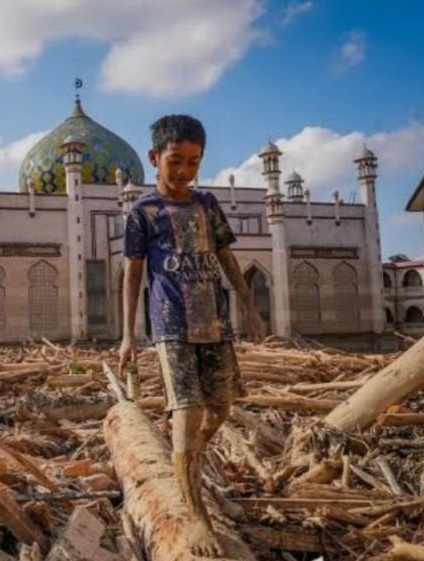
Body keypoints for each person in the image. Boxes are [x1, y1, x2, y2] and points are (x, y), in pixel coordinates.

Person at [118, 114, 266, 557]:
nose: (184, 170)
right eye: (175, 161)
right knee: (186, 412)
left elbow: (225, 258)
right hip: (172, 326)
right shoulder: (143, 213)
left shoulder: (207, 204)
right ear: (154, 158)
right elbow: (132, 275)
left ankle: (187, 459)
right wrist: (128, 336)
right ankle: (197, 517)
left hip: (214, 324)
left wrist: (249, 308)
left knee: (219, 410)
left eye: (193, 161)